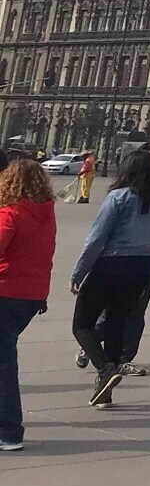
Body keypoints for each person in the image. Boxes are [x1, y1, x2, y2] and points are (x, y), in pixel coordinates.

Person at [70, 149, 150, 407]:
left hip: (112, 263)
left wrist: (79, 272)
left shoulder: (118, 197)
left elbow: (97, 238)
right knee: (116, 323)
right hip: (142, 267)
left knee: (82, 324)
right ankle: (105, 393)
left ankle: (105, 369)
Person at [0, 157, 57, 449]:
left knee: (4, 364)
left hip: (6, 292)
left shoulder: (9, 214)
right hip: (31, 295)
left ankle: (9, 431)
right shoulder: (46, 214)